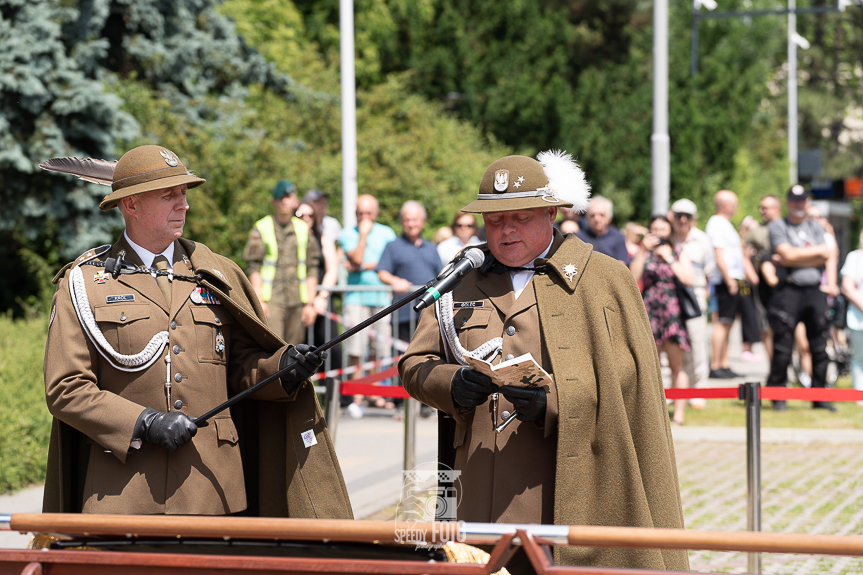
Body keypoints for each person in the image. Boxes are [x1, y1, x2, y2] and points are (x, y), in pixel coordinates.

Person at [399, 152, 688, 572]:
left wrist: (553, 402)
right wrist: (451, 383)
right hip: (476, 493)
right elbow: (415, 363)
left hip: (567, 491)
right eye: (494, 221)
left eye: (519, 217)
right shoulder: (461, 277)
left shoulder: (604, 279)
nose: (506, 230)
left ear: (550, 212)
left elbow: (628, 385)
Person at [41, 145, 352, 518]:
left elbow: (239, 367)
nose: (183, 204)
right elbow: (66, 388)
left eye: (184, 193)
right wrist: (144, 423)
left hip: (214, 489)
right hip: (123, 494)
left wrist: (282, 369)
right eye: (168, 195)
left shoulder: (216, 274)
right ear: (131, 205)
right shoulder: (85, 283)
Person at [766, 184, 834, 411]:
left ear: (807, 202)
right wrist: (808, 255)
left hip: (814, 291)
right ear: (787, 202)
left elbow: (825, 254)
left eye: (802, 200)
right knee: (783, 345)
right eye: (794, 200)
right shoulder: (778, 225)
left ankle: (819, 397)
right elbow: (786, 253)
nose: (798, 204)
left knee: (819, 345)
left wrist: (793, 258)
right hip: (788, 291)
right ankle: (778, 396)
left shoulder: (815, 226)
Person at [377, 201, 443, 416]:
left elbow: (441, 275)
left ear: (422, 222)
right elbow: (382, 272)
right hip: (403, 314)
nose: (411, 223)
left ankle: (425, 404)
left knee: (427, 357)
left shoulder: (431, 248)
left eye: (415, 219)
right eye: (407, 219)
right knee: (402, 358)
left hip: (428, 316)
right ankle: (400, 404)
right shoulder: (392, 246)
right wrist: (394, 280)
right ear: (402, 222)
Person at [630, 215, 694, 425]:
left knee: (678, 365)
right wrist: (643, 251)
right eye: (654, 229)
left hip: (672, 312)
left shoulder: (676, 252)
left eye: (663, 229)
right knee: (650, 366)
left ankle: (679, 414)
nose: (658, 233)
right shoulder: (645, 254)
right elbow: (632, 277)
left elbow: (688, 278)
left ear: (670, 231)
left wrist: (669, 258)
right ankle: (651, 415)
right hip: (650, 312)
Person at [243, 180, 321, 346]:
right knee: (274, 350)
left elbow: (312, 268)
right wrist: (259, 302)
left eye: (288, 196)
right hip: (271, 301)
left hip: (298, 301)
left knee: (296, 352)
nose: (284, 201)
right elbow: (254, 267)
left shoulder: (303, 229)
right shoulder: (262, 227)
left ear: (295, 201)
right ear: (273, 202)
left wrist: (310, 304)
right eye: (280, 197)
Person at [337, 194, 397, 380]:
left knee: (378, 350)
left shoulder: (387, 234)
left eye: (368, 213)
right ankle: (356, 394)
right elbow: (356, 258)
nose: (364, 217)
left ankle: (374, 392)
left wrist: (363, 266)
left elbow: (388, 263)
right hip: (356, 298)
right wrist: (363, 235)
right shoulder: (347, 234)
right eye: (360, 213)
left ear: (376, 213)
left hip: (381, 298)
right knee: (355, 349)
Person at [669, 198, 715, 410]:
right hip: (669, 296)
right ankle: (671, 391)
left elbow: (709, 272)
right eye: (679, 216)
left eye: (687, 217)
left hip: (694, 294)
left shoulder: (701, 239)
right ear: (673, 217)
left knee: (697, 344)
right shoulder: (667, 238)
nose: (683, 220)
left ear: (693, 220)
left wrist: (705, 297)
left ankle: (698, 391)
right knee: (670, 344)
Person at [705, 190, 748, 379]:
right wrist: (729, 280)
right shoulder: (716, 223)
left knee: (729, 322)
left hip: (733, 278)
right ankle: (715, 364)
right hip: (725, 280)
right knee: (722, 322)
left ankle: (724, 362)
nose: (737, 208)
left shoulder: (725, 224)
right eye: (735, 204)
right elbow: (719, 254)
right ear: (726, 205)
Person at [297, 201, 342, 370]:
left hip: (321, 302)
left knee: (330, 352)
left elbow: (332, 270)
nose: (306, 219)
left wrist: (322, 296)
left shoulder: (322, 239)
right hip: (297, 302)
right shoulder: (289, 241)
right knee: (296, 351)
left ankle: (334, 396)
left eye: (311, 215)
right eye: (301, 215)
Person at [745, 194, 783, 361]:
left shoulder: (787, 227)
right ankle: (773, 366)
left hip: (786, 282)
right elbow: (743, 254)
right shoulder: (756, 231)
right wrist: (752, 274)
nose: (762, 211)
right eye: (761, 207)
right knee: (766, 327)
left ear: (777, 209)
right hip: (763, 286)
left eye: (765, 208)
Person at [840, 230, 863, 400]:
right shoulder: (855, 257)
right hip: (858, 317)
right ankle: (859, 394)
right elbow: (847, 287)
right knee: (859, 356)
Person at [575, 196, 631, 264]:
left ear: (609, 218)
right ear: (587, 217)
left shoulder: (618, 237)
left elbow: (622, 265)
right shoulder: (580, 238)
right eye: (592, 215)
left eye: (601, 215)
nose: (597, 219)